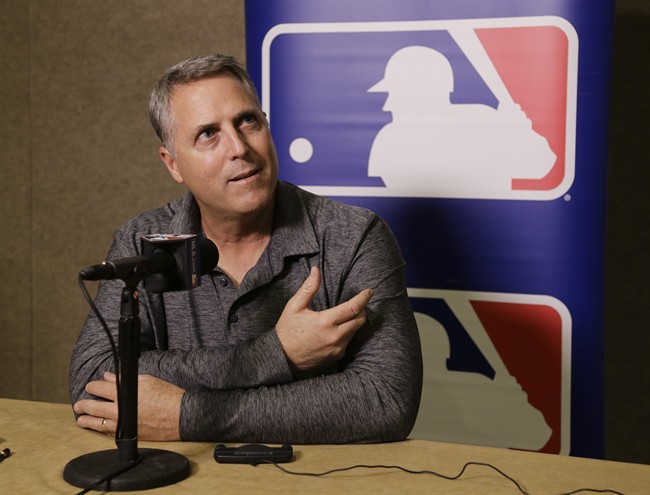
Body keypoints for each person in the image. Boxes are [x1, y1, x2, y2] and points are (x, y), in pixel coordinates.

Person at [69, 54, 422, 444]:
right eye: (208, 134)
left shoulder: (354, 237)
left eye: (247, 121)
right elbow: (93, 379)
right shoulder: (143, 240)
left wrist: (189, 415)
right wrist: (275, 354)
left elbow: (386, 399)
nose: (239, 147)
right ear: (173, 165)